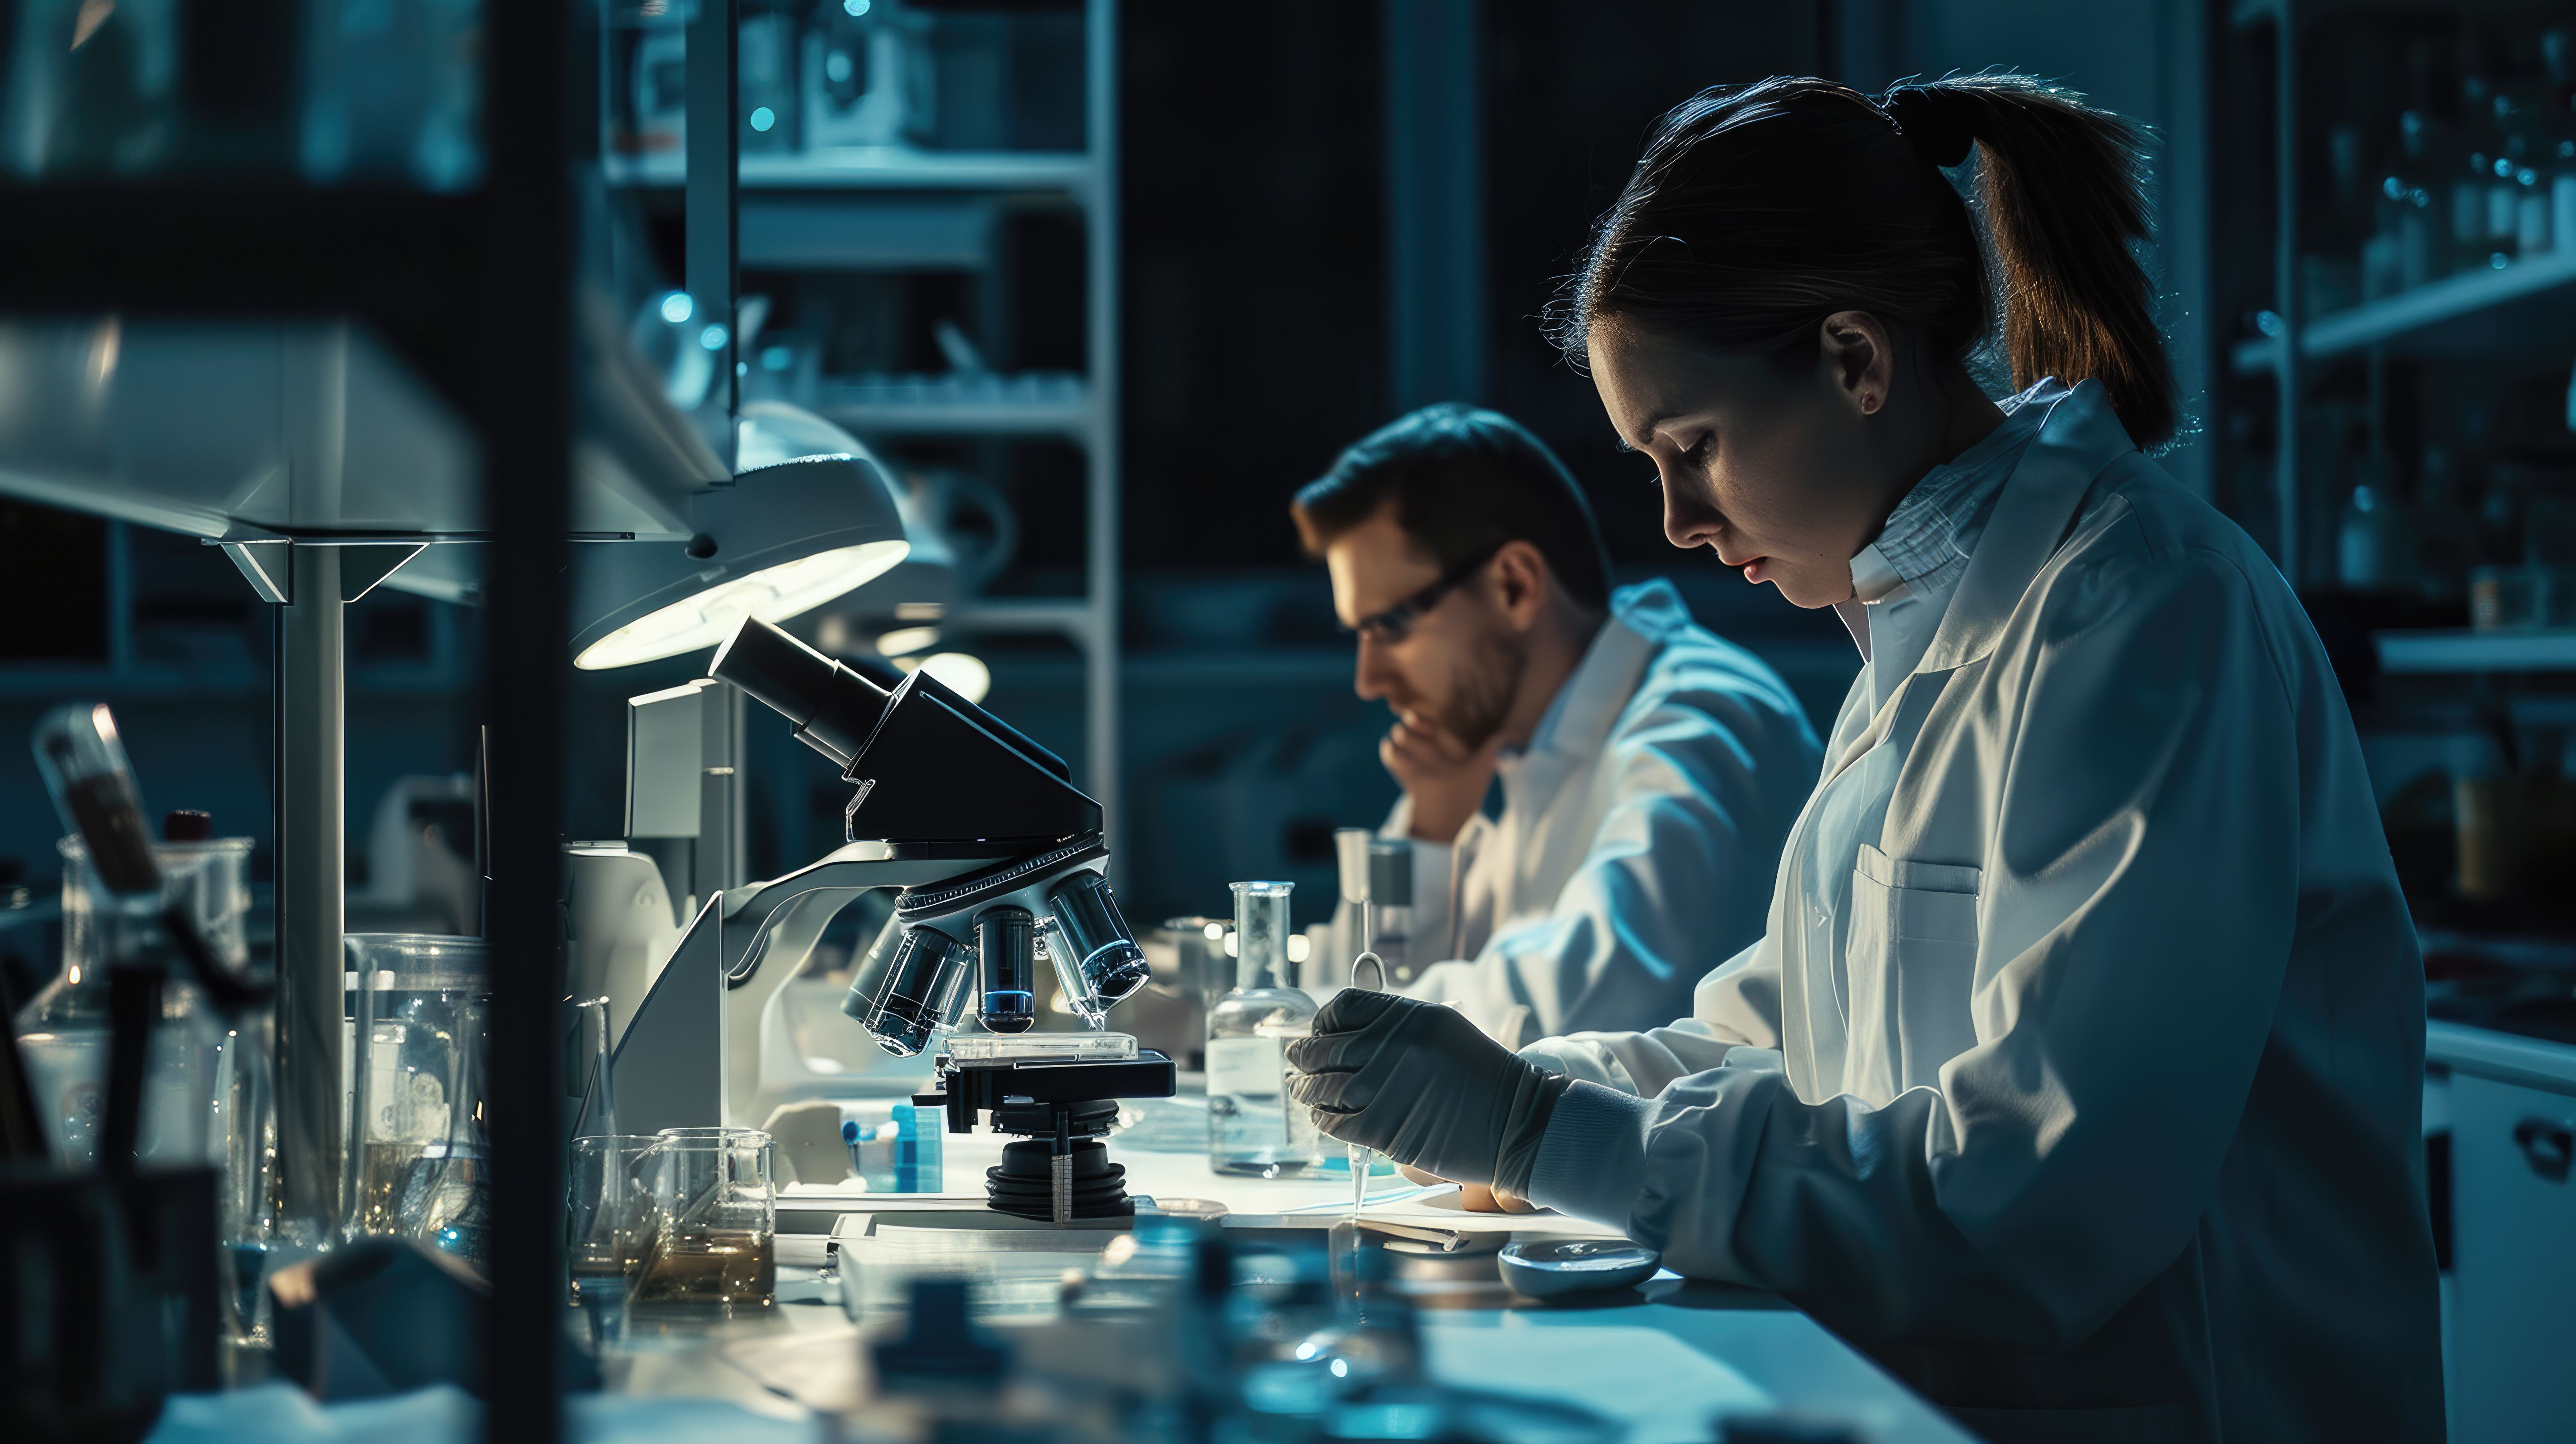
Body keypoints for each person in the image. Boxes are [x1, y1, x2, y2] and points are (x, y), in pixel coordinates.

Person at [1288, 75, 2441, 1444]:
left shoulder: (2143, 613)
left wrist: (1543, 1130)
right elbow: (1782, 1040)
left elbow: (2039, 1203)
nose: (1676, 520)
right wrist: (1515, 1087)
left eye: (1694, 447)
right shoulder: (1918, 634)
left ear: (1854, 359)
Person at [1291, 403, 1821, 1044]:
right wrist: (1429, 831)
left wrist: (1305, 1027)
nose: (1369, 678)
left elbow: (1592, 1003)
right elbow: (1349, 985)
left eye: (1391, 626)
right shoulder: (1514, 750)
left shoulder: (1702, 720)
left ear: (1513, 586)